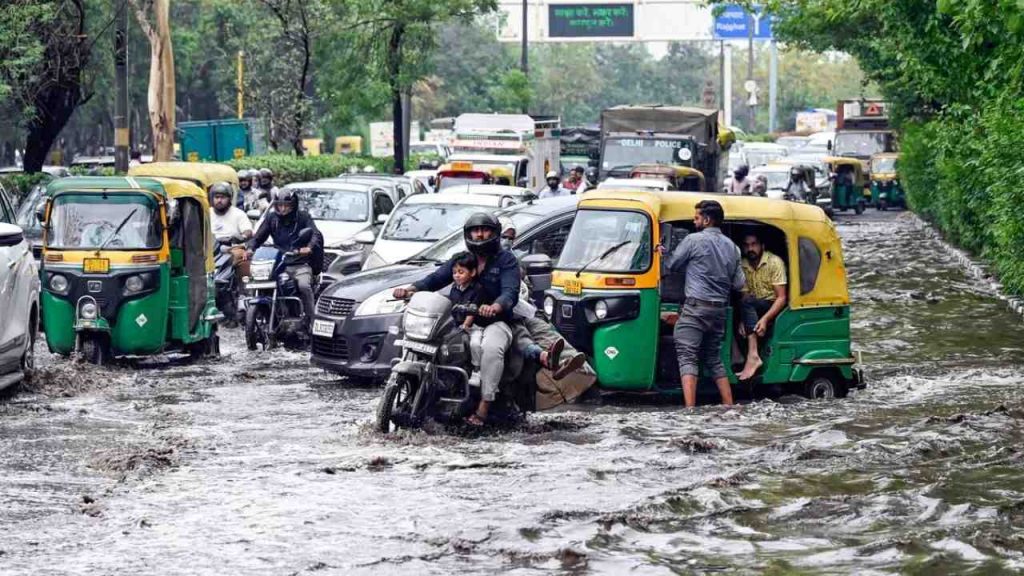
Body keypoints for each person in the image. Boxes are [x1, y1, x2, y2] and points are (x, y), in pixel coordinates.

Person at [393, 213, 521, 426]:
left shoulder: (506, 260)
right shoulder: (462, 259)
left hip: (494, 323)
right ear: (468, 233)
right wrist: (410, 290)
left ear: (495, 233)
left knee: (490, 348)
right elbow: (436, 278)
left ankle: (484, 405)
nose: (479, 234)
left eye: (485, 229)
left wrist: (495, 307)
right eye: (474, 230)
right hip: (461, 322)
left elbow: (510, 292)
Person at [662, 199, 745, 407]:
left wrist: (662, 252)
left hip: (696, 309)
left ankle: (690, 410)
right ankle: (729, 406)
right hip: (719, 312)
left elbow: (672, 265)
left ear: (706, 220)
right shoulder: (733, 248)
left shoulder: (693, 240)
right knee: (714, 359)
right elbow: (739, 283)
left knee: (687, 357)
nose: (694, 220)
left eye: (697, 217)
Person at [247, 189, 323, 329]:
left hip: (299, 262)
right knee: (261, 282)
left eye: (286, 205)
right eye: (279, 205)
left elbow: (315, 234)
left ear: (293, 205)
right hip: (279, 262)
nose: (282, 209)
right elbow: (258, 237)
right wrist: (251, 248)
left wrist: (308, 248)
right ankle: (264, 314)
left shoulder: (303, 217)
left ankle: (313, 322)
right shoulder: (271, 218)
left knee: (304, 286)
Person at [736, 232, 788, 381]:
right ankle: (744, 361)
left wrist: (765, 320)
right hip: (752, 306)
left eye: (754, 244)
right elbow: (745, 296)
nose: (750, 248)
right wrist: (743, 320)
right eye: (746, 245)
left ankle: (753, 356)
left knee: (748, 303)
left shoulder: (774, 262)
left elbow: (781, 298)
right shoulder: (743, 264)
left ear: (762, 246)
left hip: (772, 306)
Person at [210, 181, 253, 279]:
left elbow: (248, 231)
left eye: (223, 197)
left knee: (243, 256)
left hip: (231, 248)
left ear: (230, 198)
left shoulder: (238, 214)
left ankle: (244, 290)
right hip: (210, 250)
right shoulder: (206, 213)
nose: (219, 200)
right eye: (217, 197)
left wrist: (242, 237)